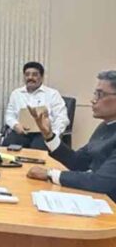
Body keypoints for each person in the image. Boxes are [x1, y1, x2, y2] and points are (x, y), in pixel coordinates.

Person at [26, 70, 116, 202]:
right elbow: (78, 162)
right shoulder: (105, 126)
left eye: (100, 95)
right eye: (95, 93)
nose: (93, 100)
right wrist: (49, 135)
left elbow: (101, 182)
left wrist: (50, 174)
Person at [3, 61, 69, 150]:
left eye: (34, 75)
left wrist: (52, 136)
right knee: (6, 147)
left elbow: (62, 118)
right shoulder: (16, 94)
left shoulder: (52, 94)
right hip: (22, 132)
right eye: (27, 74)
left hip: (43, 133)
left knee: (38, 150)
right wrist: (15, 125)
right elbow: (9, 115)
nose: (30, 77)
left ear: (41, 77)